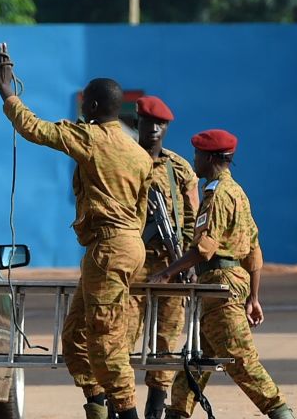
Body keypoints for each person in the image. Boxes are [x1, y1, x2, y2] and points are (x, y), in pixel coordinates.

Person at [0, 42, 151, 419]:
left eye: (85, 105)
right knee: (76, 339)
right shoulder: (140, 155)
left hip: (111, 248)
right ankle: (98, 408)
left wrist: (7, 93)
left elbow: (36, 130)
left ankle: (126, 412)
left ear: (93, 108)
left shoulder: (93, 139)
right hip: (124, 246)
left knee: (105, 340)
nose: (82, 110)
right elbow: (142, 211)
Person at [150, 130, 296, 419]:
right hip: (229, 284)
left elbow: (204, 248)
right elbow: (254, 251)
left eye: (197, 155)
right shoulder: (239, 193)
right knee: (197, 360)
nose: (194, 161)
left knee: (241, 360)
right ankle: (178, 412)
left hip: (220, 286)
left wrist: (167, 272)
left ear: (209, 158)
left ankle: (281, 413)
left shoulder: (216, 194)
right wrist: (253, 297)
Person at [129, 96, 199, 419]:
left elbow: (192, 220)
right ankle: (120, 404)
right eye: (148, 122)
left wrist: (186, 263)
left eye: (160, 124)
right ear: (138, 123)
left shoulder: (179, 168)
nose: (154, 129)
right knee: (122, 337)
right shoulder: (125, 159)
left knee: (167, 341)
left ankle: (155, 407)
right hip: (133, 264)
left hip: (171, 267)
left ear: (167, 127)